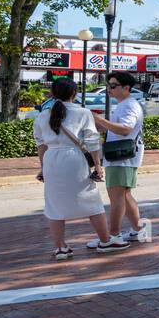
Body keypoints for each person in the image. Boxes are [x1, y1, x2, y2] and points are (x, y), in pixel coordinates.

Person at [33, 77, 120, 259]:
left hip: (51, 160)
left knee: (54, 206)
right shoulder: (83, 113)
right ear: (74, 93)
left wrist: (43, 168)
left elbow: (41, 145)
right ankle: (105, 241)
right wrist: (97, 165)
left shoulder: (42, 116)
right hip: (74, 159)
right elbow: (93, 141)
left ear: (53, 94)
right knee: (91, 200)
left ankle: (60, 248)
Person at [89, 70, 152, 249]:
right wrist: (102, 126)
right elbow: (122, 128)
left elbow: (125, 129)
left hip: (121, 158)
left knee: (116, 196)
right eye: (108, 85)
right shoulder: (125, 104)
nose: (109, 89)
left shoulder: (129, 105)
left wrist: (101, 120)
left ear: (126, 87)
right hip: (123, 157)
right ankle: (138, 229)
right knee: (124, 195)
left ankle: (114, 236)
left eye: (113, 86)